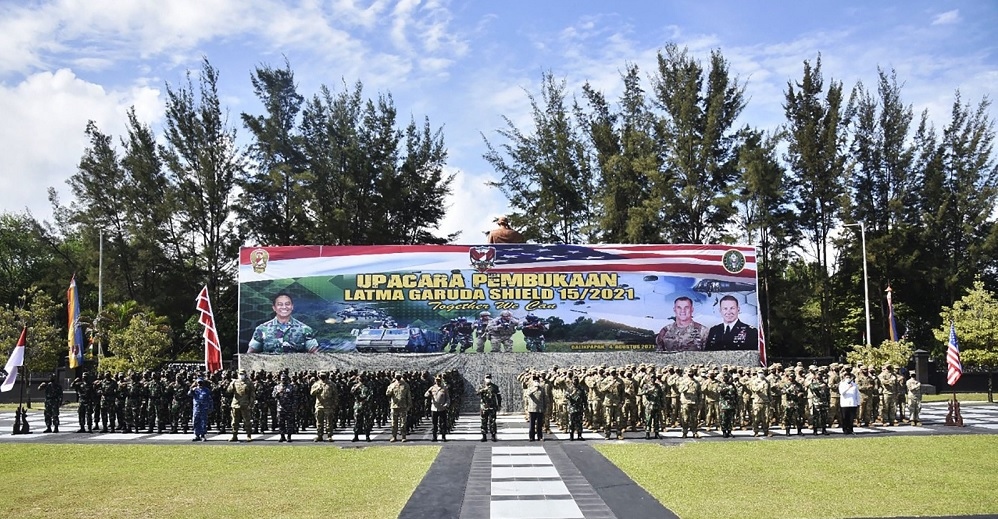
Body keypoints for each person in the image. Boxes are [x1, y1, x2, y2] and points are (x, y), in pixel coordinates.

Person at [247, 292, 319, 353]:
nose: (284, 307)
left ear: (292, 307)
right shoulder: (262, 329)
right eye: (280, 304)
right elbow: (250, 356)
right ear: (274, 308)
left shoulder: (305, 329)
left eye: (287, 304)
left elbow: (316, 355)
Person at [228, 369, 256, 442]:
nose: (241, 376)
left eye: (242, 374)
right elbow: (228, 391)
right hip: (236, 404)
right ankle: (234, 435)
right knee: (234, 421)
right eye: (240, 374)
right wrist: (231, 384)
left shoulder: (249, 383)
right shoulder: (234, 382)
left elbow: (252, 395)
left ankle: (248, 435)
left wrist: (251, 404)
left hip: (245, 404)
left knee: (247, 421)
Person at [311, 372, 339, 442]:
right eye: (321, 375)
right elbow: (311, 393)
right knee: (319, 422)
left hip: (328, 406)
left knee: (329, 422)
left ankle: (329, 435)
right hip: (319, 405)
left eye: (323, 375)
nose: (322, 377)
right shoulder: (316, 384)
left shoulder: (332, 385)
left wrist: (334, 404)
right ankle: (319, 435)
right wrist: (317, 390)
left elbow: (335, 395)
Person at [386, 374, 412, 442]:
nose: (397, 377)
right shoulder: (392, 385)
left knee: (403, 422)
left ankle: (403, 436)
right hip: (394, 406)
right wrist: (391, 389)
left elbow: (408, 396)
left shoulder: (405, 385)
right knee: (394, 423)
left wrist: (409, 405)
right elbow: (387, 394)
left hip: (403, 406)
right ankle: (394, 436)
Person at [477, 374, 502, 442]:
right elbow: (477, 393)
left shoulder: (494, 387)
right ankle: (484, 436)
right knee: (483, 421)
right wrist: (483, 390)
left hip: (492, 406)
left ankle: (493, 436)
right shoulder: (481, 386)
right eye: (487, 378)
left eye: (489, 378)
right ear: (484, 378)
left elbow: (499, 396)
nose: (488, 379)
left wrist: (499, 405)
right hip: (484, 406)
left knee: (492, 421)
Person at [424, 375, 450, 442]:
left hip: (442, 408)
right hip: (434, 408)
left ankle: (443, 436)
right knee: (434, 423)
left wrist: (446, 405)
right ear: (435, 381)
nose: (438, 382)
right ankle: (434, 436)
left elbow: (447, 398)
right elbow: (425, 395)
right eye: (437, 380)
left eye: (439, 381)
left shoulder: (444, 388)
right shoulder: (432, 388)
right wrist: (429, 394)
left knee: (443, 423)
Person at [273, 373, 297, 442]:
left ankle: (289, 436)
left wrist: (294, 406)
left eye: (285, 379)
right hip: (280, 408)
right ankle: (282, 436)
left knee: (290, 423)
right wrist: (278, 393)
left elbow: (295, 397)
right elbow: (273, 395)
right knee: (281, 423)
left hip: (289, 408)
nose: (283, 380)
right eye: (282, 379)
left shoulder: (291, 387)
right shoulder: (277, 387)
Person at [524, 375, 546, 441]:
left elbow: (544, 398)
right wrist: (534, 389)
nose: (536, 382)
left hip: (540, 409)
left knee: (539, 424)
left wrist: (545, 407)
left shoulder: (542, 389)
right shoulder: (530, 388)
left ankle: (540, 436)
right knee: (532, 424)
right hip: (532, 409)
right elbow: (528, 394)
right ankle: (531, 437)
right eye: (535, 381)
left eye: (537, 381)